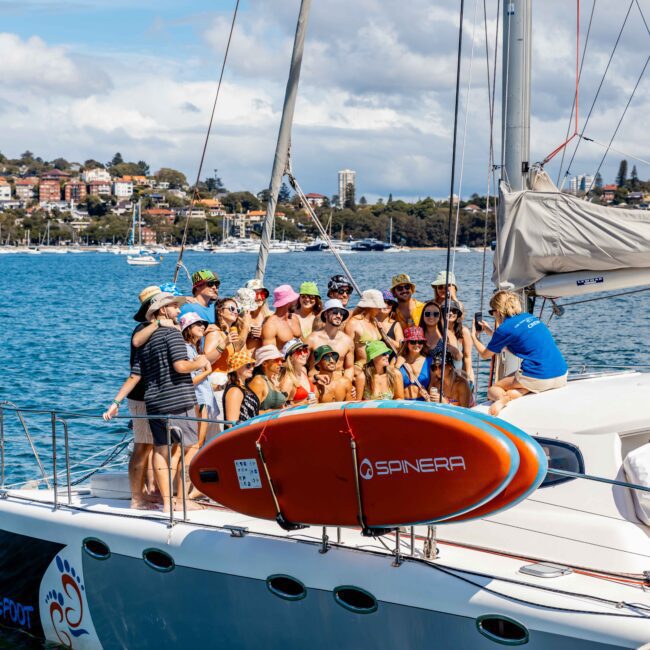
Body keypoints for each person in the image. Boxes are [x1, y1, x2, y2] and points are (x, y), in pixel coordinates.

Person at [130, 292, 209, 512]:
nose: (178, 310)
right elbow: (180, 367)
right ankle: (181, 501)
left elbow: (138, 371)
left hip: (154, 401)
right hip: (178, 399)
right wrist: (199, 362)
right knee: (186, 449)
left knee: (160, 450)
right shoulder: (173, 335)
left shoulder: (146, 339)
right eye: (175, 306)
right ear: (162, 310)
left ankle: (166, 503)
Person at [103, 285, 168, 509]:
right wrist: (116, 402)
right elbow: (136, 368)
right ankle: (137, 497)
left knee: (149, 446)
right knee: (142, 446)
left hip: (152, 395)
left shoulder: (153, 328)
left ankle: (143, 493)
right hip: (141, 397)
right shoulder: (143, 329)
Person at [472, 290, 568, 416]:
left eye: (492, 312)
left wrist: (472, 336)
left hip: (538, 376)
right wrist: (489, 331)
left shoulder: (504, 329)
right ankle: (521, 391)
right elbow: (515, 339)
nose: (493, 316)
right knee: (524, 385)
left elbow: (485, 354)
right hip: (561, 375)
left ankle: (504, 399)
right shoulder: (530, 318)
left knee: (493, 390)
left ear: (499, 312)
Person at [180, 312, 221, 444]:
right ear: (188, 328)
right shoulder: (186, 349)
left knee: (197, 443)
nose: (202, 326)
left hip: (202, 400)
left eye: (203, 324)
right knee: (197, 444)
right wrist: (207, 372)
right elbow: (189, 381)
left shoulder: (194, 349)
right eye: (198, 324)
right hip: (199, 402)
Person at [345, 289, 386, 396]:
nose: (381, 309)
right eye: (378, 306)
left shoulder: (374, 322)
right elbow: (347, 351)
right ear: (370, 306)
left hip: (377, 367)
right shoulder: (353, 323)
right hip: (362, 368)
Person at [307, 299, 355, 383]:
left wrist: (348, 384)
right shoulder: (312, 339)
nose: (339, 315)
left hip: (339, 384)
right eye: (335, 311)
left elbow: (349, 367)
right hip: (317, 383)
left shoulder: (347, 341)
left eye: (342, 313)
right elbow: (300, 365)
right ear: (325, 314)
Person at [223, 351, 260, 427]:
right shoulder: (235, 391)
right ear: (237, 367)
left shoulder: (244, 388)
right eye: (248, 365)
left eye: (253, 365)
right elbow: (232, 424)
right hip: (241, 436)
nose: (252, 368)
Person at [441, 299, 474, 384]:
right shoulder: (438, 331)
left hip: (458, 374)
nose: (451, 313)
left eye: (454, 310)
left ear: (458, 314)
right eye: (447, 310)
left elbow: (467, 357)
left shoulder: (464, 331)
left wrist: (468, 377)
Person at [248, 345, 287, 413]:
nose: (280, 363)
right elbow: (251, 412)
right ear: (264, 363)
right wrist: (274, 412)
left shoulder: (270, 380)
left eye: (281, 360)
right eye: (276, 360)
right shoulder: (258, 382)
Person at [396, 326, 431, 401]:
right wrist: (397, 366)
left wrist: (429, 394)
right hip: (402, 403)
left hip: (422, 404)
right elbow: (388, 380)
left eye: (420, 342)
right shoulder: (397, 359)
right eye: (413, 342)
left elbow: (434, 385)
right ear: (406, 343)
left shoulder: (429, 361)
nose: (417, 345)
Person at [262, 285, 302, 349]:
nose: (297, 301)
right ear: (288, 302)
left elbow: (302, 341)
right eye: (294, 299)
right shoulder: (271, 325)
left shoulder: (294, 318)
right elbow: (269, 355)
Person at [280, 338, 317, 406]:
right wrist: (302, 404)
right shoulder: (288, 381)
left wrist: (317, 377)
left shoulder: (303, 370)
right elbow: (280, 408)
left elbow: (303, 384)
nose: (303, 354)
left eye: (305, 350)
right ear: (290, 357)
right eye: (299, 351)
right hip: (297, 416)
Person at [245, 279, 273, 348]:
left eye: (263, 294)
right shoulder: (241, 316)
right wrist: (245, 332)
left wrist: (264, 335)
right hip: (245, 356)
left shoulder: (270, 316)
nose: (260, 298)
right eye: (255, 294)